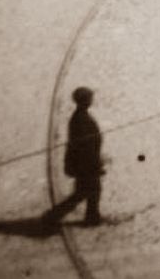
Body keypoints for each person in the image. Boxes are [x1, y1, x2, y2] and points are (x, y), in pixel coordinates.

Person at [48, 86, 105, 227]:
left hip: (85, 162)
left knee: (88, 191)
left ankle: (92, 217)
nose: (91, 100)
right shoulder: (81, 118)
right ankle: (52, 216)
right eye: (89, 98)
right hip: (86, 163)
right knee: (85, 192)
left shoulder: (80, 116)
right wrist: (95, 163)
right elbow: (85, 145)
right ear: (84, 100)